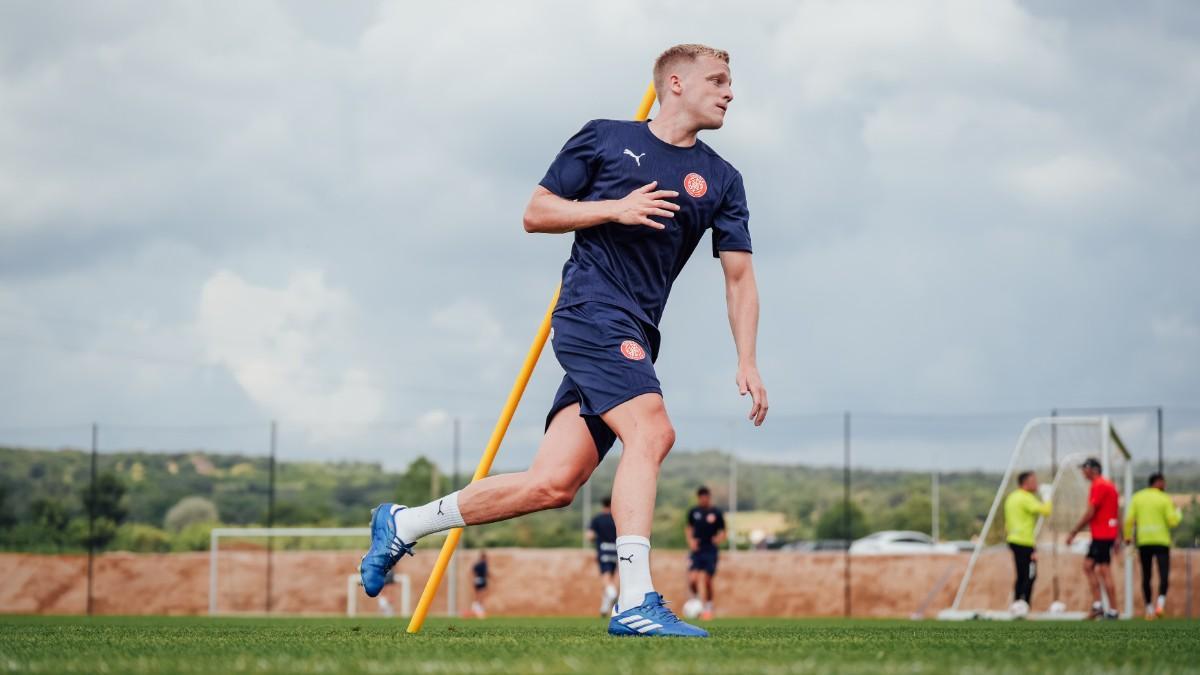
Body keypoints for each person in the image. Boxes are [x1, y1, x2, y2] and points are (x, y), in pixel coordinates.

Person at [360, 43, 766, 639]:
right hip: (590, 312)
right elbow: (536, 212)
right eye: (719, 79)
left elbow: (739, 276)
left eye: (731, 82)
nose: (730, 91)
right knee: (652, 431)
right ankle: (634, 601)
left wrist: (748, 359)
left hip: (636, 332)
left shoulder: (724, 179)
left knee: (552, 484)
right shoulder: (603, 138)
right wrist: (614, 210)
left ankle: (405, 523)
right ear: (674, 83)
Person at [1066, 457, 1121, 620]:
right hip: (1106, 534)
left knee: (1104, 570)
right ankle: (1098, 606)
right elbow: (1117, 512)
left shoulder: (1099, 485)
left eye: (1084, 468)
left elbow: (1091, 512)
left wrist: (1074, 531)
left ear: (1093, 469)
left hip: (1102, 535)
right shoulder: (1108, 485)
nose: (1083, 472)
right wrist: (1119, 535)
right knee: (1088, 566)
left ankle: (1113, 610)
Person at [1124, 472, 1183, 619]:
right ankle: (1160, 605)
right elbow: (1172, 521)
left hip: (1144, 542)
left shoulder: (1137, 497)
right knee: (1163, 574)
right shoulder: (1164, 498)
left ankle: (1149, 609)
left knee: (1146, 576)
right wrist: (1179, 513)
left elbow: (1129, 520)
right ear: (1158, 482)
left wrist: (1127, 537)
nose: (1165, 485)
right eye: (1163, 482)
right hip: (1161, 542)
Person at [1003, 471, 1052, 615]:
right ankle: (1024, 606)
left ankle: (1017, 604)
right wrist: (1047, 496)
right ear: (1026, 483)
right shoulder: (1026, 498)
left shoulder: (1012, 497)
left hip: (1013, 540)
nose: (1036, 484)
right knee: (1030, 575)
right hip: (1025, 542)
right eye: (1034, 481)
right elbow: (1046, 511)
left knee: (1021, 575)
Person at [685, 486, 726, 620]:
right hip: (697, 550)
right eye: (701, 497)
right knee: (693, 579)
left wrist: (718, 539)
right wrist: (691, 541)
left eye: (706, 497)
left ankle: (708, 606)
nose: (703, 500)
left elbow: (723, 532)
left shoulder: (716, 513)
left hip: (710, 550)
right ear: (699, 498)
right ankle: (696, 602)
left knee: (707, 580)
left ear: (709, 498)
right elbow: (689, 528)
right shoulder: (693, 512)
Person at [587, 496, 619, 616]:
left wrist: (598, 537)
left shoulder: (597, 519)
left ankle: (613, 595)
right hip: (616, 551)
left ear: (603, 505)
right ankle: (604, 608)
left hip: (603, 551)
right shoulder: (616, 519)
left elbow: (589, 536)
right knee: (613, 578)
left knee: (606, 579)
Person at [470, 551, 489, 618]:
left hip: (477, 580)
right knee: (481, 595)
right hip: (481, 580)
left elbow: (473, 571)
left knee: (478, 595)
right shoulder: (484, 564)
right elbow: (486, 573)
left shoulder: (477, 564)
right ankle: (478, 609)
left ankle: (476, 607)